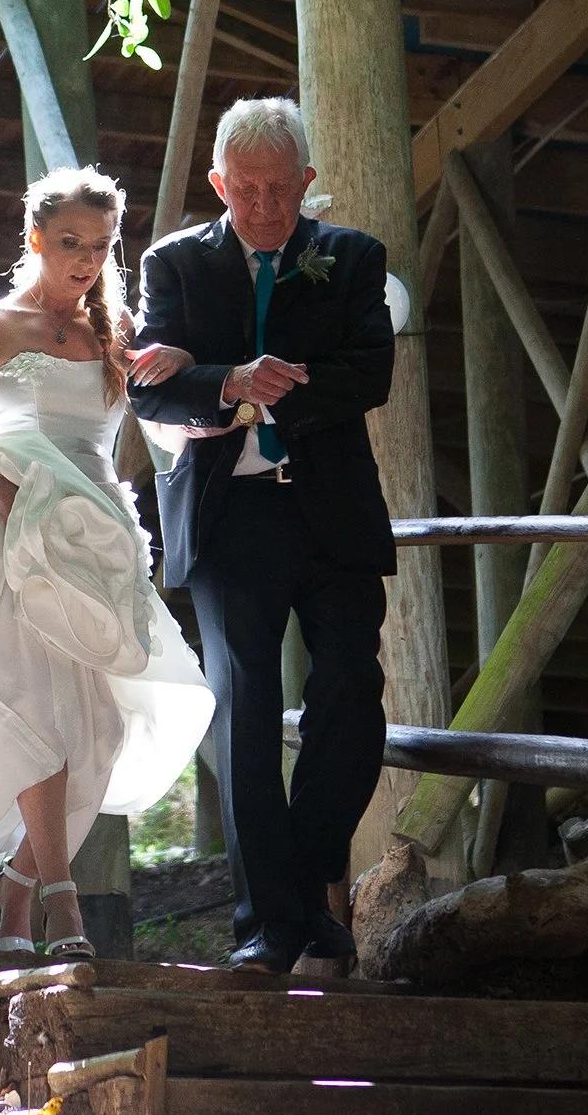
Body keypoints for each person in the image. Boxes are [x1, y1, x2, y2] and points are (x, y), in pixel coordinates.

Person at [127, 98, 396, 973]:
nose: (266, 206)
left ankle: (309, 868)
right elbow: (150, 390)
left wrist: (249, 389)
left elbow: (369, 374)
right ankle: (268, 927)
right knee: (242, 709)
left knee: (353, 690)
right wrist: (234, 383)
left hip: (330, 510)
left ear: (308, 183)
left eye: (282, 190)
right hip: (229, 514)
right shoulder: (173, 263)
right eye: (247, 190)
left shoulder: (351, 258)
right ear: (218, 184)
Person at [0, 166, 214, 959]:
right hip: (18, 531)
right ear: (35, 239)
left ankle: (14, 890)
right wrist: (12, 501)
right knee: (36, 709)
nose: (85, 259)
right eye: (68, 244)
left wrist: (184, 368)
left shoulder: (110, 335)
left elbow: (164, 424)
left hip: (96, 537)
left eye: (100, 245)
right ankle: (63, 904)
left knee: (103, 730)